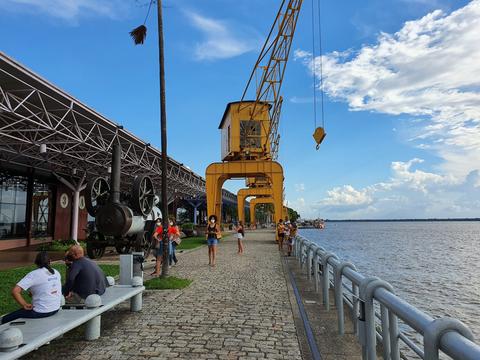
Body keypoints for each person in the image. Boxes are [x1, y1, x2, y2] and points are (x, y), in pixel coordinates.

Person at [1, 251, 61, 324]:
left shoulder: (34, 274)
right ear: (50, 261)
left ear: (36, 262)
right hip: (55, 309)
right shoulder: (56, 272)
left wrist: (24, 304)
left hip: (41, 312)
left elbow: (15, 291)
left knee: (5, 319)